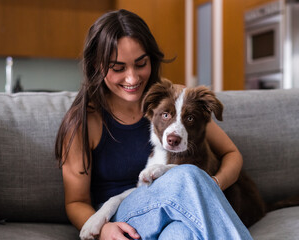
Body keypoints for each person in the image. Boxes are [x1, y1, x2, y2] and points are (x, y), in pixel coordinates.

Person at [55, 9, 253, 240]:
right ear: (96, 65)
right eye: (118, 68)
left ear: (152, 59)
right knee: (185, 175)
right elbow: (75, 201)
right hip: (123, 217)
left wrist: (208, 188)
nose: (132, 78)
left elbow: (231, 153)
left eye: (141, 64)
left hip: (178, 210)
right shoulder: (84, 122)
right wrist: (103, 231)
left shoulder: (175, 100)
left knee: (182, 234)